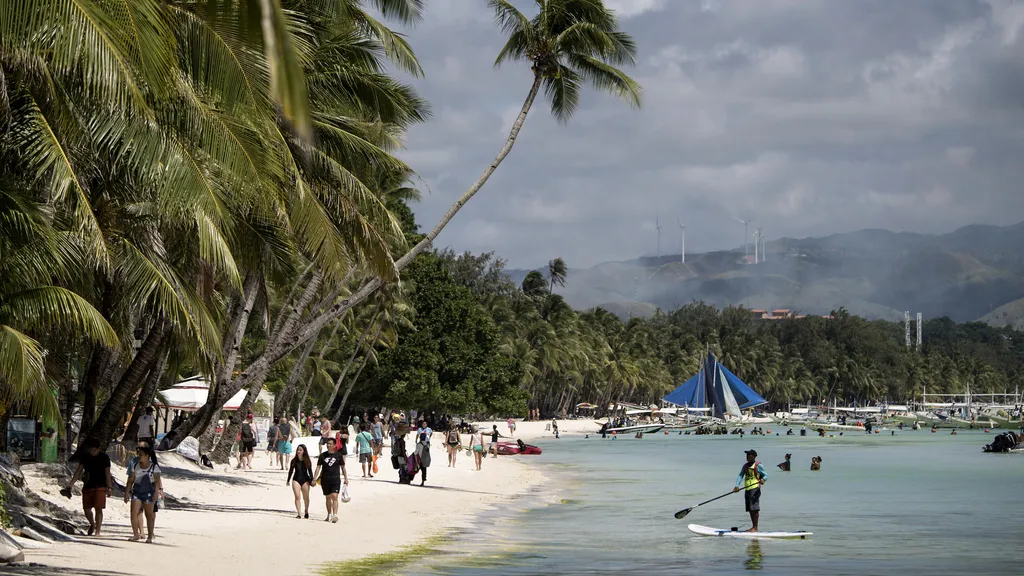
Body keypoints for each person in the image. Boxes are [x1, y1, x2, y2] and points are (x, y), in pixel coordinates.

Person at [65, 439, 112, 537]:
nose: (92, 452)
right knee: (87, 509)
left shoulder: (105, 458)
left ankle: (97, 531)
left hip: (100, 485)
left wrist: (109, 487)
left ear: (98, 449)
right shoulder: (85, 457)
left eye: (94, 450)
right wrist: (70, 484)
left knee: (98, 509)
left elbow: (107, 473)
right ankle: (92, 524)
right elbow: (78, 472)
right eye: (91, 450)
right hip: (88, 485)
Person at [124, 444, 164, 543]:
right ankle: (135, 534)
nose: (139, 456)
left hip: (149, 493)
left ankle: (150, 536)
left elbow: (157, 482)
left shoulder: (154, 467)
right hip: (137, 491)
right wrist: (126, 492)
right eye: (138, 454)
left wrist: (156, 493)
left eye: (141, 454)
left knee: (149, 515)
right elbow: (130, 480)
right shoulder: (135, 466)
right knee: (134, 512)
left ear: (147, 455)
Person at [312, 438, 348, 523]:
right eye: (327, 444)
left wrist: (346, 478)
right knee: (328, 497)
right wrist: (314, 478)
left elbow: (343, 467)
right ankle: (329, 514)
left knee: (335, 496)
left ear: (334, 445)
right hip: (325, 479)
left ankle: (335, 515)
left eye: (330, 444)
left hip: (335, 479)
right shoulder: (322, 455)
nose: (328, 445)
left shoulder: (338, 455)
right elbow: (318, 467)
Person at [732, 449, 767, 533]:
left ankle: (755, 527)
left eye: (749, 455)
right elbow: (740, 475)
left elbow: (766, 475)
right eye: (747, 455)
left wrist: (763, 480)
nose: (747, 456)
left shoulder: (758, 465)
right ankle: (753, 527)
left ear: (754, 456)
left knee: (754, 508)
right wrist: (737, 486)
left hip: (755, 488)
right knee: (750, 509)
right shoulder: (745, 466)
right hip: (747, 488)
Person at [287, 444, 313, 519]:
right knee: (297, 496)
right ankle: (299, 513)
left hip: (305, 480)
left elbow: (310, 471)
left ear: (304, 451)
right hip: (296, 479)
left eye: (300, 450)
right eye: (298, 450)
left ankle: (306, 511)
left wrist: (311, 480)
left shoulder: (307, 460)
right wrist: (288, 480)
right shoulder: (294, 460)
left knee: (306, 498)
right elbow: (291, 471)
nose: (299, 451)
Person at [415, 419, 432, 485]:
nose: (424, 425)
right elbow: (417, 435)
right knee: (424, 468)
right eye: (423, 424)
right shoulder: (419, 429)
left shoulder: (429, 429)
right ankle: (423, 479)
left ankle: (422, 480)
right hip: (423, 444)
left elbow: (416, 452)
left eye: (425, 424)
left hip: (426, 443)